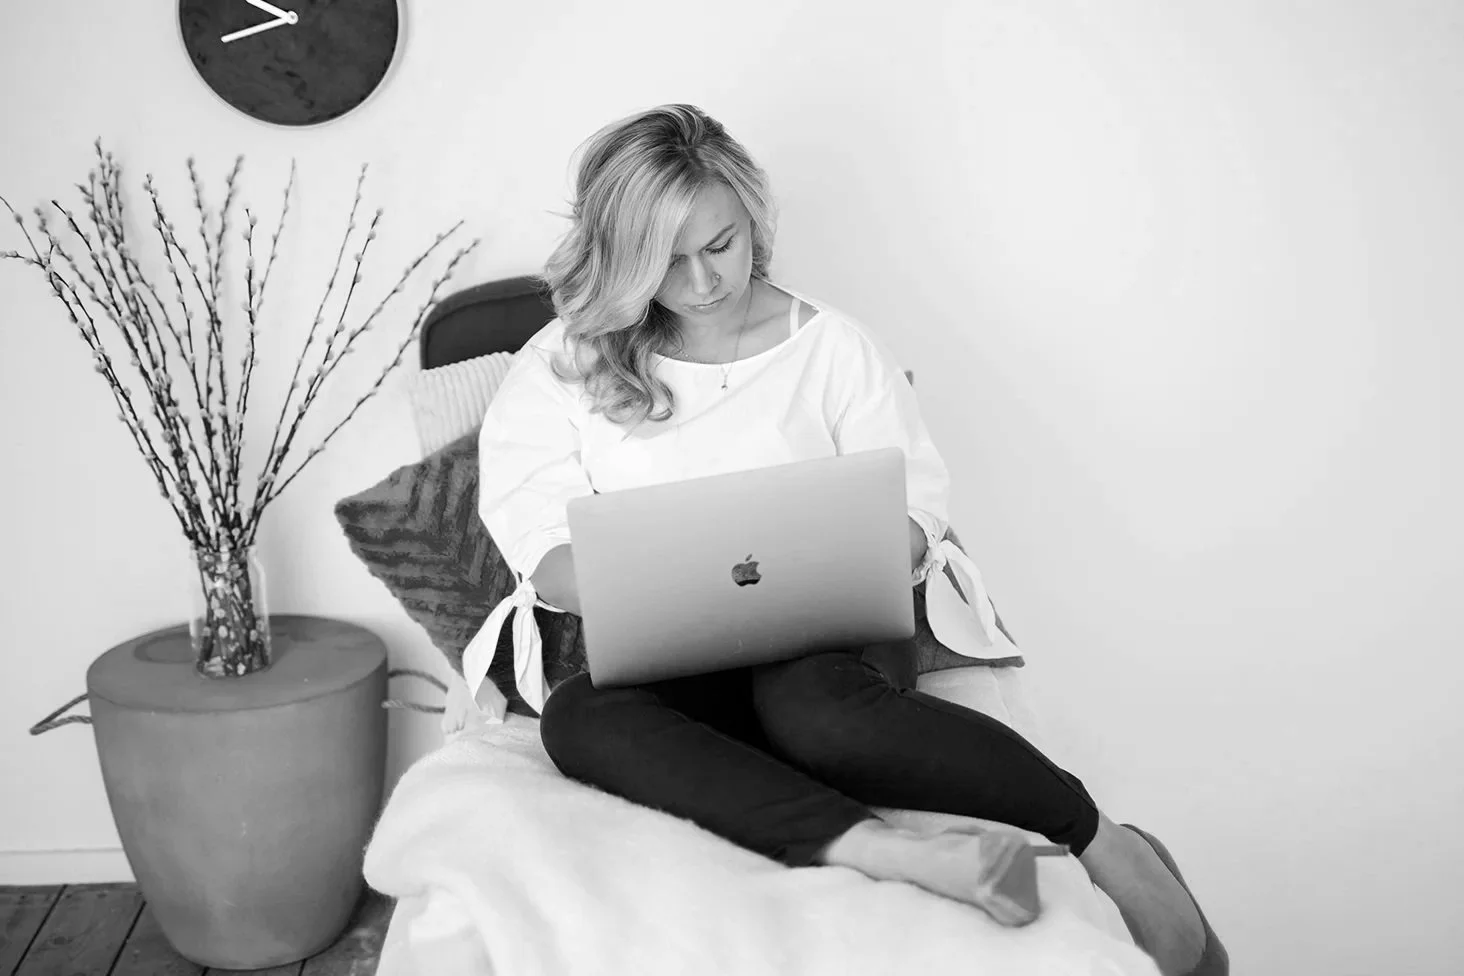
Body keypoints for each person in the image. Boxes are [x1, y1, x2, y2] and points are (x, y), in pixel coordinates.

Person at [470, 103, 1225, 976]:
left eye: (720, 245)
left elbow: (913, 514)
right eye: (668, 262)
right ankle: (877, 849)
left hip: (829, 648)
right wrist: (664, 585)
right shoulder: (566, 364)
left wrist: (840, 560)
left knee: (814, 712)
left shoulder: (830, 347)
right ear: (623, 256)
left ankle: (1102, 838)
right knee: (579, 716)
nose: (704, 281)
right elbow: (543, 551)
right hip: (674, 658)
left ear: (752, 218)